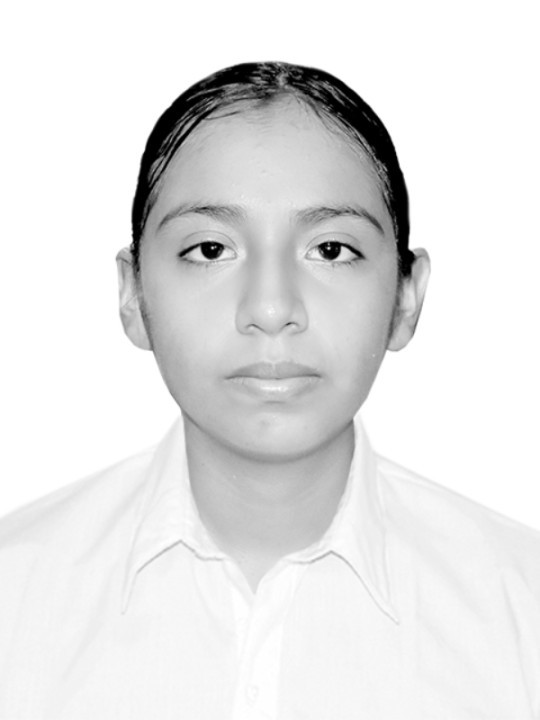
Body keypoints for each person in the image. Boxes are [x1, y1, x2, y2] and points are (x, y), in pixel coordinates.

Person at [0, 61, 538, 720]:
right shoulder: (14, 597)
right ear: (133, 294)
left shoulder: (522, 609)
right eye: (210, 250)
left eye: (331, 250)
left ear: (406, 296)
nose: (272, 308)